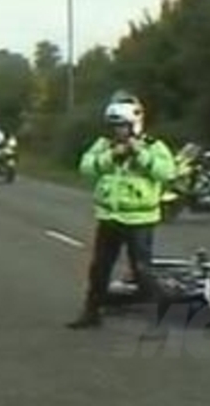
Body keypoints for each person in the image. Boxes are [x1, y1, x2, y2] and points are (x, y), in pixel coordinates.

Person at [66, 92, 176, 336]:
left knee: (142, 272)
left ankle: (159, 322)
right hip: (109, 218)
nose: (118, 131)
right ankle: (91, 313)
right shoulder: (104, 145)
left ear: (134, 124)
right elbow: (86, 168)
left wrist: (140, 155)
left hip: (140, 220)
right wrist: (111, 156)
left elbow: (167, 173)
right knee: (99, 269)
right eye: (115, 126)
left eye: (122, 126)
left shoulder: (153, 146)